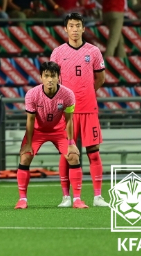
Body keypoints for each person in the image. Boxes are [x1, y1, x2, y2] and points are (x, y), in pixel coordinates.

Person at [48, 13, 109, 208]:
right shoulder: (57, 53)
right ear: (65, 29)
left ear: (83, 28)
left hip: (89, 109)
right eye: (71, 26)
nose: (74, 29)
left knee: (94, 152)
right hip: (67, 112)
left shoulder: (94, 51)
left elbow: (100, 78)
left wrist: (88, 92)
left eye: (78, 25)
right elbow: (53, 81)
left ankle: (98, 196)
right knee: (67, 153)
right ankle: (67, 197)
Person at [15, 61, 88, 210]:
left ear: (58, 77)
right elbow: (30, 120)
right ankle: (22, 199)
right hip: (37, 131)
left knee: (73, 156)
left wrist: (71, 142)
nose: (50, 79)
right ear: (41, 77)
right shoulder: (32, 94)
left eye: (53, 76)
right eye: (46, 76)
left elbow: (69, 120)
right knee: (25, 156)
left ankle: (78, 200)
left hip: (59, 130)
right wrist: (28, 143)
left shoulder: (67, 94)